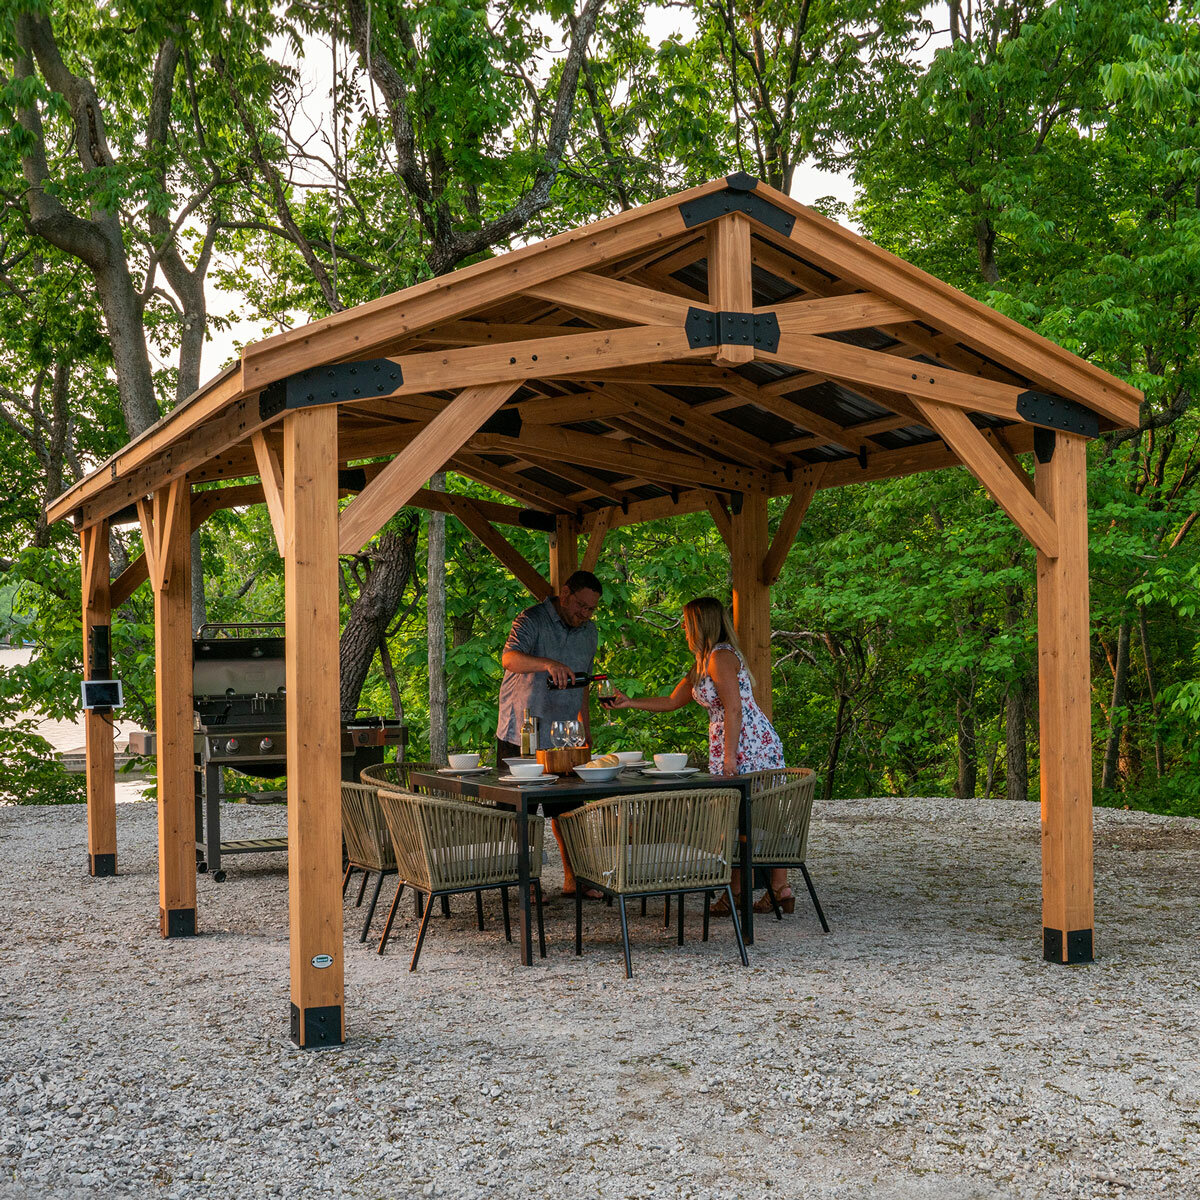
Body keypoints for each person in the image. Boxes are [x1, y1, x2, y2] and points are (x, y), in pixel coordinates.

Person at [607, 596, 792, 913]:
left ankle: (742, 892)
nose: (682, 627)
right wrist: (629, 702)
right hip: (733, 741)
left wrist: (730, 757)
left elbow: (734, 708)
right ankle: (774, 889)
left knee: (742, 816)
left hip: (748, 744)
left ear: (700, 624)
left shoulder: (720, 657)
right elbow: (671, 701)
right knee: (741, 816)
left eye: (686, 622)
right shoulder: (703, 662)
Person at [496, 569, 604, 899]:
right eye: (581, 606)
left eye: (591, 609)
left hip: (565, 735)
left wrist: (585, 728)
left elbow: (583, 685)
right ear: (566, 594)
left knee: (569, 810)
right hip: (523, 729)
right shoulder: (531, 619)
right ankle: (525, 881)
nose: (585, 614)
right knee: (522, 814)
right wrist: (547, 664)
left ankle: (576, 878)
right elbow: (509, 658)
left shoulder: (589, 633)